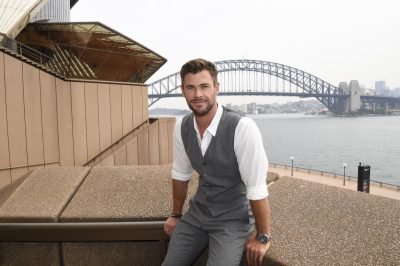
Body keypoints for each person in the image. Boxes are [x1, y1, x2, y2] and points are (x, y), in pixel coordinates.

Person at [162, 58, 271, 266]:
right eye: (191, 88)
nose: (198, 95)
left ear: (216, 88)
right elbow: (181, 173)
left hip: (232, 220)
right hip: (197, 214)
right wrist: (176, 215)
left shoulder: (243, 128)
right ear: (182, 90)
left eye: (204, 86)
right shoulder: (181, 126)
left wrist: (263, 236)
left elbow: (256, 188)